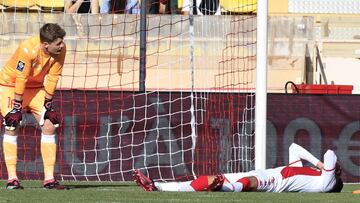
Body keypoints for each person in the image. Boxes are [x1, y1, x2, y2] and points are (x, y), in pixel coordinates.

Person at [0, 23, 68, 190]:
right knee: (12, 124)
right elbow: (20, 78)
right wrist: (17, 107)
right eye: (58, 43)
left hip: (36, 88)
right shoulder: (27, 49)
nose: (62, 45)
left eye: (61, 42)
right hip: (10, 85)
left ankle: (49, 180)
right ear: (46, 44)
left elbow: (53, 77)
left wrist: (48, 104)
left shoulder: (60, 50)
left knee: (50, 125)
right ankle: (12, 179)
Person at [134, 143, 343, 193]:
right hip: (267, 173)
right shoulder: (315, 176)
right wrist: (318, 165)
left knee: (249, 183)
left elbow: (330, 154)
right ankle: (158, 186)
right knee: (212, 177)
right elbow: (293, 147)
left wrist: (324, 166)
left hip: (275, 181)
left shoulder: (325, 184)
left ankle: (224, 188)